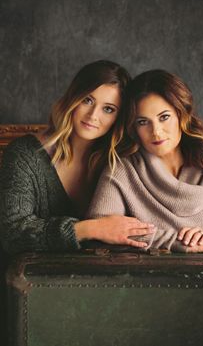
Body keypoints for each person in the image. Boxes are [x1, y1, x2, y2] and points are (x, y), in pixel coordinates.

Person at [0, 60, 155, 254]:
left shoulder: (122, 159)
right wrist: (93, 229)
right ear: (73, 98)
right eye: (87, 100)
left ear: (119, 117)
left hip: (99, 277)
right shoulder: (25, 154)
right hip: (31, 277)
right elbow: (13, 234)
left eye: (108, 109)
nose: (93, 115)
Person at [87, 69, 203, 258]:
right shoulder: (121, 171)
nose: (156, 131)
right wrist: (174, 242)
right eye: (143, 122)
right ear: (133, 128)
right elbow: (100, 231)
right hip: (148, 284)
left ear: (182, 115)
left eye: (164, 117)